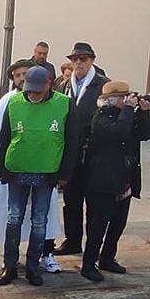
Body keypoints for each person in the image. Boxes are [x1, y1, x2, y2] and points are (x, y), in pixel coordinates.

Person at [0, 64, 71, 287]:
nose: (32, 95)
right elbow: (4, 137)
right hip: (18, 169)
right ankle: (10, 265)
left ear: (49, 84)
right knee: (13, 218)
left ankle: (33, 266)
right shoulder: (14, 102)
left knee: (39, 221)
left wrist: (65, 173)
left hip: (46, 172)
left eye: (37, 91)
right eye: (30, 90)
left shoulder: (64, 104)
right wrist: (2, 171)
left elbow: (70, 140)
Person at [79, 80, 150, 281]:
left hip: (124, 180)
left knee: (118, 223)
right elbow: (119, 132)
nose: (128, 100)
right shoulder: (101, 118)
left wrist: (144, 112)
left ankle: (108, 257)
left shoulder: (125, 116)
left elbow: (145, 134)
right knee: (98, 225)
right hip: (103, 180)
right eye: (125, 97)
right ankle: (89, 264)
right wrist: (129, 110)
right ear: (113, 100)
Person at [54, 42, 109, 258]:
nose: (78, 62)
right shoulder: (64, 85)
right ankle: (73, 240)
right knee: (71, 198)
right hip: (71, 151)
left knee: (93, 202)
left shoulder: (103, 84)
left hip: (94, 152)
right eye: (75, 59)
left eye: (83, 59)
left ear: (92, 60)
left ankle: (93, 245)